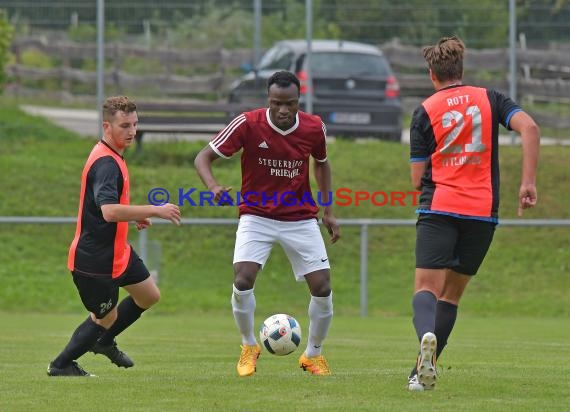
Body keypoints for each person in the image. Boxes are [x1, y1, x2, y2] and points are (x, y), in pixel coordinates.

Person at [406, 36, 540, 391]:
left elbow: (417, 180)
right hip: (482, 212)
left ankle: (426, 337)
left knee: (426, 290)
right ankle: (420, 373)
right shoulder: (491, 99)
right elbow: (530, 128)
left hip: (440, 207)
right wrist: (527, 183)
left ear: (432, 74)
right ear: (461, 70)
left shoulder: (426, 110)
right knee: (451, 296)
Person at [194, 70, 340, 377]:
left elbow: (322, 165)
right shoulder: (248, 124)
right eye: (277, 103)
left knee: (323, 287)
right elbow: (203, 158)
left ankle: (313, 355)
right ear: (268, 100)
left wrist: (328, 210)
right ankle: (249, 346)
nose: (284, 110)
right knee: (243, 279)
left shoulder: (314, 127)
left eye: (290, 103)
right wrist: (213, 187)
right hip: (256, 216)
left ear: (299, 100)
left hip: (299, 218)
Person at [47, 96, 181, 377]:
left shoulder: (111, 154)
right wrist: (154, 210)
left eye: (134, 124)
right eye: (124, 126)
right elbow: (108, 212)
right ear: (107, 126)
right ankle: (61, 365)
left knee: (148, 295)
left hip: (117, 252)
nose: (131, 131)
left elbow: (106, 208)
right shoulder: (106, 163)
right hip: (96, 260)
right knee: (105, 317)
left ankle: (104, 341)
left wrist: (133, 215)